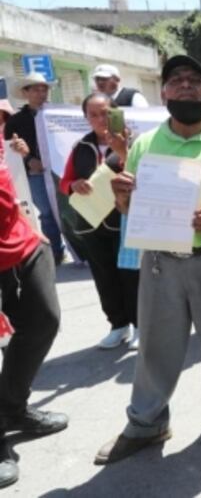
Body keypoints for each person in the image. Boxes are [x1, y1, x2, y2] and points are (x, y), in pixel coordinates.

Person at [95, 55, 201, 464]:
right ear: (164, 92)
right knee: (154, 345)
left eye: (194, 79)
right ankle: (146, 423)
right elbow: (133, 210)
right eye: (176, 80)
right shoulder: (147, 145)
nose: (185, 85)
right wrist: (121, 196)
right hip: (160, 262)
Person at [0, 146, 68, 489]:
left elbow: (7, 184)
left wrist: (28, 221)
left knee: (44, 321)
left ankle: (12, 407)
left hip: (21, 245)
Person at [59, 92, 138, 350]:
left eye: (105, 112)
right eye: (93, 114)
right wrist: (74, 184)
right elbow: (64, 182)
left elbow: (145, 174)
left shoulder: (134, 142)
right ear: (86, 118)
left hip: (125, 220)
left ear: (115, 111)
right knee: (104, 276)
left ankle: (139, 325)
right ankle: (117, 325)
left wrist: (123, 151)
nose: (100, 119)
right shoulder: (81, 146)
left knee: (131, 275)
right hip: (91, 222)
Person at [3, 73, 65, 264]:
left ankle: (79, 250)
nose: (41, 93)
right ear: (25, 92)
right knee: (46, 213)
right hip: (35, 174)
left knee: (67, 212)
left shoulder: (58, 115)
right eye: (36, 89)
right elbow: (10, 150)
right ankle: (55, 252)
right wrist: (29, 159)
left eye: (44, 89)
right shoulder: (15, 121)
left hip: (61, 171)